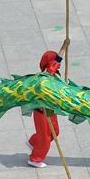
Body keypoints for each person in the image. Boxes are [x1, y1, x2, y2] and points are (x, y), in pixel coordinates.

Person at [28, 39, 70, 168]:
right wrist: (63, 46)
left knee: (54, 132)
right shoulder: (46, 76)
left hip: (50, 109)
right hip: (42, 111)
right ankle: (35, 159)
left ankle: (33, 141)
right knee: (45, 138)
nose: (56, 65)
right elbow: (56, 61)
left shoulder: (53, 75)